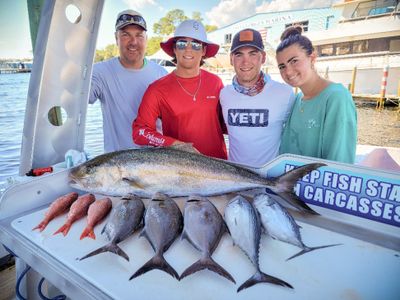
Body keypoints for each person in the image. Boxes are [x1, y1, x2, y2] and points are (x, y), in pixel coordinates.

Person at [132, 20, 227, 159]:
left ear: (204, 50)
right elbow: (139, 132)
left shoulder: (216, 82)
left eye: (195, 44)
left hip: (221, 169)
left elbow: (227, 125)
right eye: (182, 43)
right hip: (181, 172)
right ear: (175, 49)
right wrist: (174, 144)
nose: (188, 49)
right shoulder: (157, 89)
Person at [89, 10, 168, 153]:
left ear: (146, 39)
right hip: (117, 165)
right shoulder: (99, 73)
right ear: (116, 38)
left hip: (156, 165)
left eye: (139, 35)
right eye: (126, 35)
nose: (133, 42)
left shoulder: (161, 74)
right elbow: (77, 101)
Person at [276, 26, 357, 164]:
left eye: (294, 61)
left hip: (317, 185)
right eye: (282, 66)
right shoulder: (297, 99)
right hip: (289, 182)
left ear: (312, 58)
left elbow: (339, 162)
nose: (288, 72)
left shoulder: (337, 98)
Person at [220, 29, 295, 167]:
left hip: (270, 180)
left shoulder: (285, 93)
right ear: (231, 59)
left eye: (252, 54)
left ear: (263, 57)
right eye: (239, 55)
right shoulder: (224, 95)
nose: (245, 62)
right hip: (235, 180)